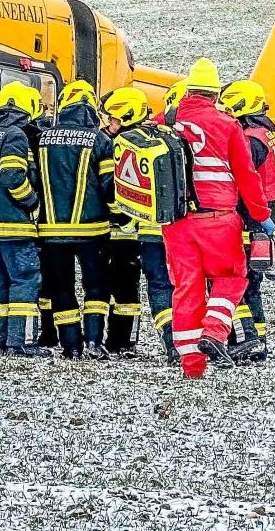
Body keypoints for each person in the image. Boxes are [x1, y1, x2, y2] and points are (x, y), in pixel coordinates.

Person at [165, 59, 275, 379]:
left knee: (186, 288)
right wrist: (260, 216)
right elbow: (247, 177)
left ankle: (192, 367)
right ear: (215, 95)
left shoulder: (167, 121)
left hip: (176, 222)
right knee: (232, 276)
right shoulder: (227, 125)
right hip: (218, 218)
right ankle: (214, 331)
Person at [101, 87, 186, 362]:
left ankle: (171, 340)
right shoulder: (168, 137)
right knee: (183, 287)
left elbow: (119, 191)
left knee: (158, 287)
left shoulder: (124, 144)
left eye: (113, 119)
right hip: (177, 231)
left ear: (126, 116)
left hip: (145, 234)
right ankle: (185, 340)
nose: (109, 124)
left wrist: (119, 218)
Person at [35, 80, 117, 359]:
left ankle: (70, 345)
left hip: (51, 230)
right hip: (93, 230)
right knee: (96, 287)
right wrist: (118, 213)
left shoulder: (43, 139)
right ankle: (94, 341)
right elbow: (109, 185)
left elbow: (34, 180)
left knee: (61, 288)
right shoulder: (100, 140)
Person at [0, 82, 46, 357]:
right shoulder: (16, 135)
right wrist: (31, 201)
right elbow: (12, 175)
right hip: (13, 223)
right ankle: (22, 341)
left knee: (0, 282)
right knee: (24, 279)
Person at [220, 79, 275, 363]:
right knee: (252, 285)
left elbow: (243, 178)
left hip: (252, 224)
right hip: (267, 223)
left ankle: (247, 339)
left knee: (241, 283)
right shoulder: (266, 134)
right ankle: (257, 340)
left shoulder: (251, 140)